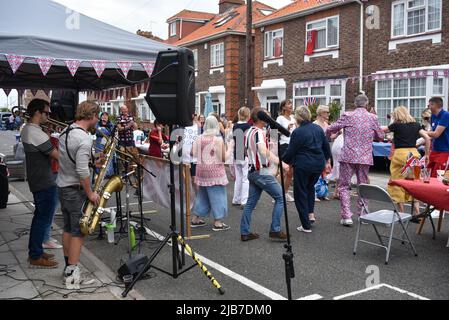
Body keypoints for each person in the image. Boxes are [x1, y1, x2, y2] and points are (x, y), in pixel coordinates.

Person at [57, 101, 100, 287]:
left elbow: (69, 160)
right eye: (97, 115)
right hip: (75, 191)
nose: (98, 119)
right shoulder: (84, 139)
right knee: (78, 233)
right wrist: (91, 194)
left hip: (63, 186)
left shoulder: (65, 132)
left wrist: (93, 162)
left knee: (67, 228)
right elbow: (82, 172)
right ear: (91, 116)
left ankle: (67, 269)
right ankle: (73, 276)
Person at [326, 94, 384, 226]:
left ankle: (346, 216)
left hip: (348, 156)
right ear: (367, 104)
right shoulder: (372, 117)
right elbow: (381, 136)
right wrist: (372, 134)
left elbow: (330, 128)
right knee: (363, 185)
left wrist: (328, 137)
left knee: (344, 185)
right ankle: (363, 214)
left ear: (354, 103)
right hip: (364, 156)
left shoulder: (348, 115)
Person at [240, 108, 289, 242]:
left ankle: (244, 232)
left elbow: (245, 151)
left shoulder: (248, 131)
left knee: (250, 203)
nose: (269, 118)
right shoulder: (259, 132)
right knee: (280, 198)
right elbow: (262, 150)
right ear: (261, 119)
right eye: (267, 116)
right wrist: (281, 163)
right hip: (261, 172)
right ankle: (275, 229)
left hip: (252, 171)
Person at [21, 99, 60, 268]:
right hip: (43, 181)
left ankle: (36, 250)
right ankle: (35, 255)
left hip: (38, 179)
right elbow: (57, 155)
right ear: (37, 112)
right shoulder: (34, 132)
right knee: (42, 219)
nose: (48, 116)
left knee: (40, 217)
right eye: (46, 113)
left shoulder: (30, 129)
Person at [283, 106, 331, 233]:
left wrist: (283, 161)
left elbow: (291, 151)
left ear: (298, 117)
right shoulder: (318, 129)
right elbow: (327, 148)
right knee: (310, 188)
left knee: (300, 193)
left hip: (303, 165)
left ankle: (305, 225)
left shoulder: (298, 132)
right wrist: (323, 161)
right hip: (317, 164)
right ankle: (310, 214)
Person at [383, 106, 430, 220]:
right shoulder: (416, 125)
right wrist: (427, 154)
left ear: (397, 115)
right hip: (413, 155)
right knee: (414, 182)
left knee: (398, 182)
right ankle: (416, 212)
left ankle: (402, 213)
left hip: (400, 155)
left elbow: (383, 129)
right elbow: (427, 138)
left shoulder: (396, 125)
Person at [191, 116, 230, 231]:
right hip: (215, 172)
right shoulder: (217, 139)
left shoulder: (199, 138)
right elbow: (223, 158)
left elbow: (193, 153)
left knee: (203, 195)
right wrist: (230, 149)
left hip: (201, 170)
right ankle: (218, 222)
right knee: (218, 195)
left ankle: (195, 219)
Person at [276, 100, 296, 202]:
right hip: (283, 145)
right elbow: (275, 132)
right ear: (283, 107)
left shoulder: (293, 118)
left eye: (291, 103)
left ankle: (285, 193)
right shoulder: (280, 118)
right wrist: (286, 128)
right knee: (284, 171)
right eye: (289, 104)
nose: (291, 105)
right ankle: (276, 194)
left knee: (290, 172)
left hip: (292, 145)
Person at [232, 107, 251, 209]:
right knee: (245, 178)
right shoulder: (248, 126)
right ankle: (244, 201)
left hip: (236, 152)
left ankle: (236, 199)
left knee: (238, 177)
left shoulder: (235, 126)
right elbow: (247, 140)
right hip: (244, 153)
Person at [426, 97, 449, 177]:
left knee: (438, 176)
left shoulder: (446, 115)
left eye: (430, 104)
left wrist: (422, 132)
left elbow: (436, 134)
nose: (428, 107)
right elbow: (431, 134)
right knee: (428, 173)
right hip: (434, 150)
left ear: (435, 105)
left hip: (444, 151)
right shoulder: (432, 116)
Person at [183, 114, 200, 182]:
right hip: (185, 158)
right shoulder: (184, 126)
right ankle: (189, 192)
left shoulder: (196, 127)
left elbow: (197, 139)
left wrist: (193, 149)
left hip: (193, 159)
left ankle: (198, 193)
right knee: (186, 179)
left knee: (194, 178)